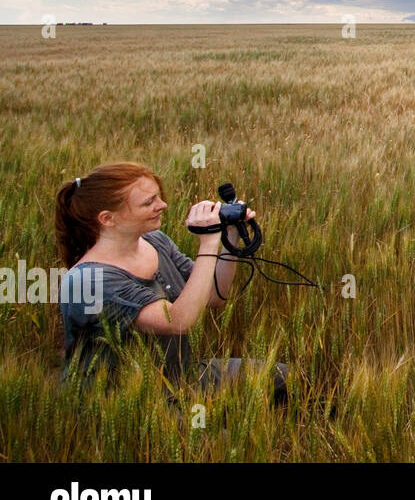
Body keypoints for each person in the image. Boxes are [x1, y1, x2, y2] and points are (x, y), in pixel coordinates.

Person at [54, 162, 288, 404]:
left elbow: (215, 296)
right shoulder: (91, 280)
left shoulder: (156, 242)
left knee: (284, 377)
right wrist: (208, 243)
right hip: (124, 402)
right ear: (108, 219)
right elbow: (178, 321)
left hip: (182, 378)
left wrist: (230, 234)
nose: (162, 205)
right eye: (149, 202)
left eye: (158, 197)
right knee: (222, 439)